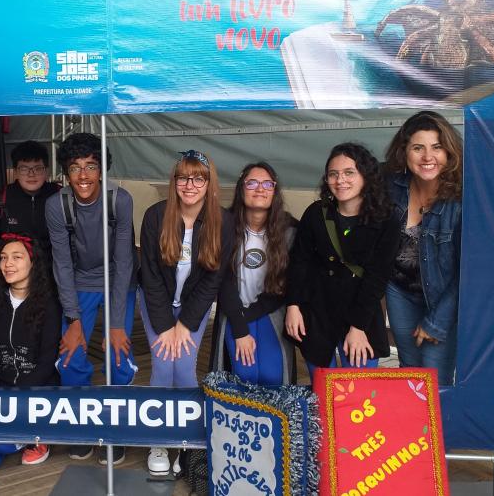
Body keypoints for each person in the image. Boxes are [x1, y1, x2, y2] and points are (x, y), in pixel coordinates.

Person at [139, 150, 233, 476]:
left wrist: (186, 324)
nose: (189, 184)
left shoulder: (223, 220)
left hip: (193, 305)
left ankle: (187, 442)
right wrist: (166, 325)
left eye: (198, 177)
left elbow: (213, 280)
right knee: (165, 367)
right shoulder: (155, 215)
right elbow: (149, 275)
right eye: (183, 177)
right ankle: (159, 441)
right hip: (157, 302)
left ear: (209, 183)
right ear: (174, 181)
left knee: (186, 371)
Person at [45, 132, 137, 465]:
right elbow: (62, 264)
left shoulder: (120, 200)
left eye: (91, 166)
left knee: (119, 356)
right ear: (66, 174)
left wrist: (115, 324)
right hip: (79, 283)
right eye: (75, 168)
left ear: (102, 170)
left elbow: (125, 261)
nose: (84, 176)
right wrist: (72, 320)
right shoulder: (57, 205)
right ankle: (82, 426)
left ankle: (115, 431)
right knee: (71, 357)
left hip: (117, 283)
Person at [285, 143, 399, 377]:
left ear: (366, 176)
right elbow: (299, 261)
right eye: (333, 174)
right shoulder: (316, 213)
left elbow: (378, 276)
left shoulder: (386, 218)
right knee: (320, 390)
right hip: (317, 314)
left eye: (349, 173)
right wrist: (293, 305)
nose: (340, 180)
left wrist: (358, 327)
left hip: (361, 314)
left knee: (358, 397)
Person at [0, 233, 61, 474]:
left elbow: (47, 362)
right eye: (3, 258)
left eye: (16, 257)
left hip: (34, 396)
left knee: (1, 441)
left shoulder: (49, 304)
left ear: (33, 262)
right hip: (0, 392)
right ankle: (15, 437)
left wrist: (17, 398)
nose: (7, 264)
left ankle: (37, 437)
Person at [383, 111, 463, 385]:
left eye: (437, 147)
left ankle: (438, 430)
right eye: (418, 148)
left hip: (442, 297)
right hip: (399, 291)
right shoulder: (391, 185)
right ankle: (414, 429)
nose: (428, 156)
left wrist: (438, 321)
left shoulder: (461, 199)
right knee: (410, 371)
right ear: (404, 152)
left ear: (449, 153)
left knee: (435, 378)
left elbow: (467, 271)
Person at [216, 162, 297, 386]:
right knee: (243, 375)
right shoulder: (224, 226)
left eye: (267, 184)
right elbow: (221, 279)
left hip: (271, 311)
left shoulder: (290, 231)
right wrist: (240, 326)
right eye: (252, 183)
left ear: (275, 191)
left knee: (273, 377)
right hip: (234, 312)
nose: (259, 189)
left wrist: (250, 314)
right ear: (241, 189)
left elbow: (287, 283)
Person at [0, 140, 61, 255]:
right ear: (15, 172)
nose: (31, 174)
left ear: (46, 171)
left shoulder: (59, 195)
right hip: (15, 269)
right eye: (24, 169)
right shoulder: (2, 197)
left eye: (38, 168)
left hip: (54, 268)